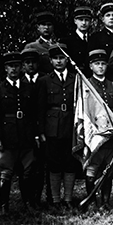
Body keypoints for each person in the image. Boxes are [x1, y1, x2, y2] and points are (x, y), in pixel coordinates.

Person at [0, 52, 37, 215]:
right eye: (11, 66)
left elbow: (33, 114)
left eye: (17, 66)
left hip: (25, 135)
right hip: (7, 136)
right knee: (6, 172)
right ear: (5, 69)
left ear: (21, 68)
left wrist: (35, 134)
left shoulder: (29, 88)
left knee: (27, 172)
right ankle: (4, 207)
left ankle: (28, 203)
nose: (14, 69)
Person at [37, 44, 78, 209]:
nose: (59, 61)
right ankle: (54, 200)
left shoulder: (76, 79)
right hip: (52, 126)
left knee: (70, 162)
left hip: (71, 124)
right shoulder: (45, 81)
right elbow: (40, 108)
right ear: (51, 61)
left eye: (62, 58)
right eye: (55, 58)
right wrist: (41, 131)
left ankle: (68, 199)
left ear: (67, 59)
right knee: (53, 163)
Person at [85, 49, 113, 210]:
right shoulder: (87, 86)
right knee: (92, 168)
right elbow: (85, 112)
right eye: (96, 64)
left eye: (103, 64)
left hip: (110, 135)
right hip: (95, 136)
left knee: (108, 169)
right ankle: (91, 200)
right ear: (91, 66)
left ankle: (106, 202)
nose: (100, 67)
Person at [20, 48, 49, 206]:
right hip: (24, 131)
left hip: (43, 128)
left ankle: (39, 198)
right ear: (23, 65)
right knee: (26, 167)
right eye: (27, 63)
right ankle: (27, 199)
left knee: (40, 165)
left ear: (38, 64)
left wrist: (41, 131)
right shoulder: (19, 81)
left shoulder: (44, 80)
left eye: (33, 62)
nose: (30, 66)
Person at [88, 3, 113, 81]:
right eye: (108, 15)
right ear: (103, 19)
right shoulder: (96, 37)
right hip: (105, 79)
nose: (111, 18)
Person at [61, 6, 94, 77]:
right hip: (74, 78)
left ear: (91, 22)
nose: (84, 23)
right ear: (75, 21)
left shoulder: (94, 40)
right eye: (81, 20)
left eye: (86, 20)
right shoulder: (67, 41)